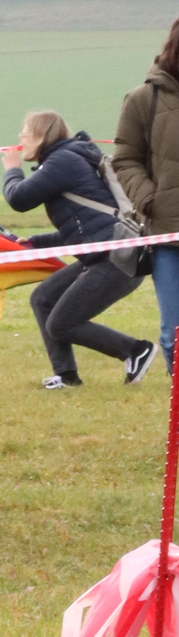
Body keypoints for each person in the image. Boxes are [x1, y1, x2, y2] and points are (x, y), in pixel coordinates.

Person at [1, 112, 154, 389]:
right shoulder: (64, 160)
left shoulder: (62, 162)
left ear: (42, 135)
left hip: (116, 260)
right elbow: (81, 229)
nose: (20, 138)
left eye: (25, 132)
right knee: (43, 299)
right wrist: (35, 242)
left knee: (61, 324)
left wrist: (12, 170)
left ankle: (136, 350)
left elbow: (18, 199)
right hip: (102, 255)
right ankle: (66, 376)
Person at [113, 19, 179, 373]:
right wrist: (149, 200)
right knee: (174, 334)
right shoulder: (143, 99)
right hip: (167, 235)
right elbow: (125, 159)